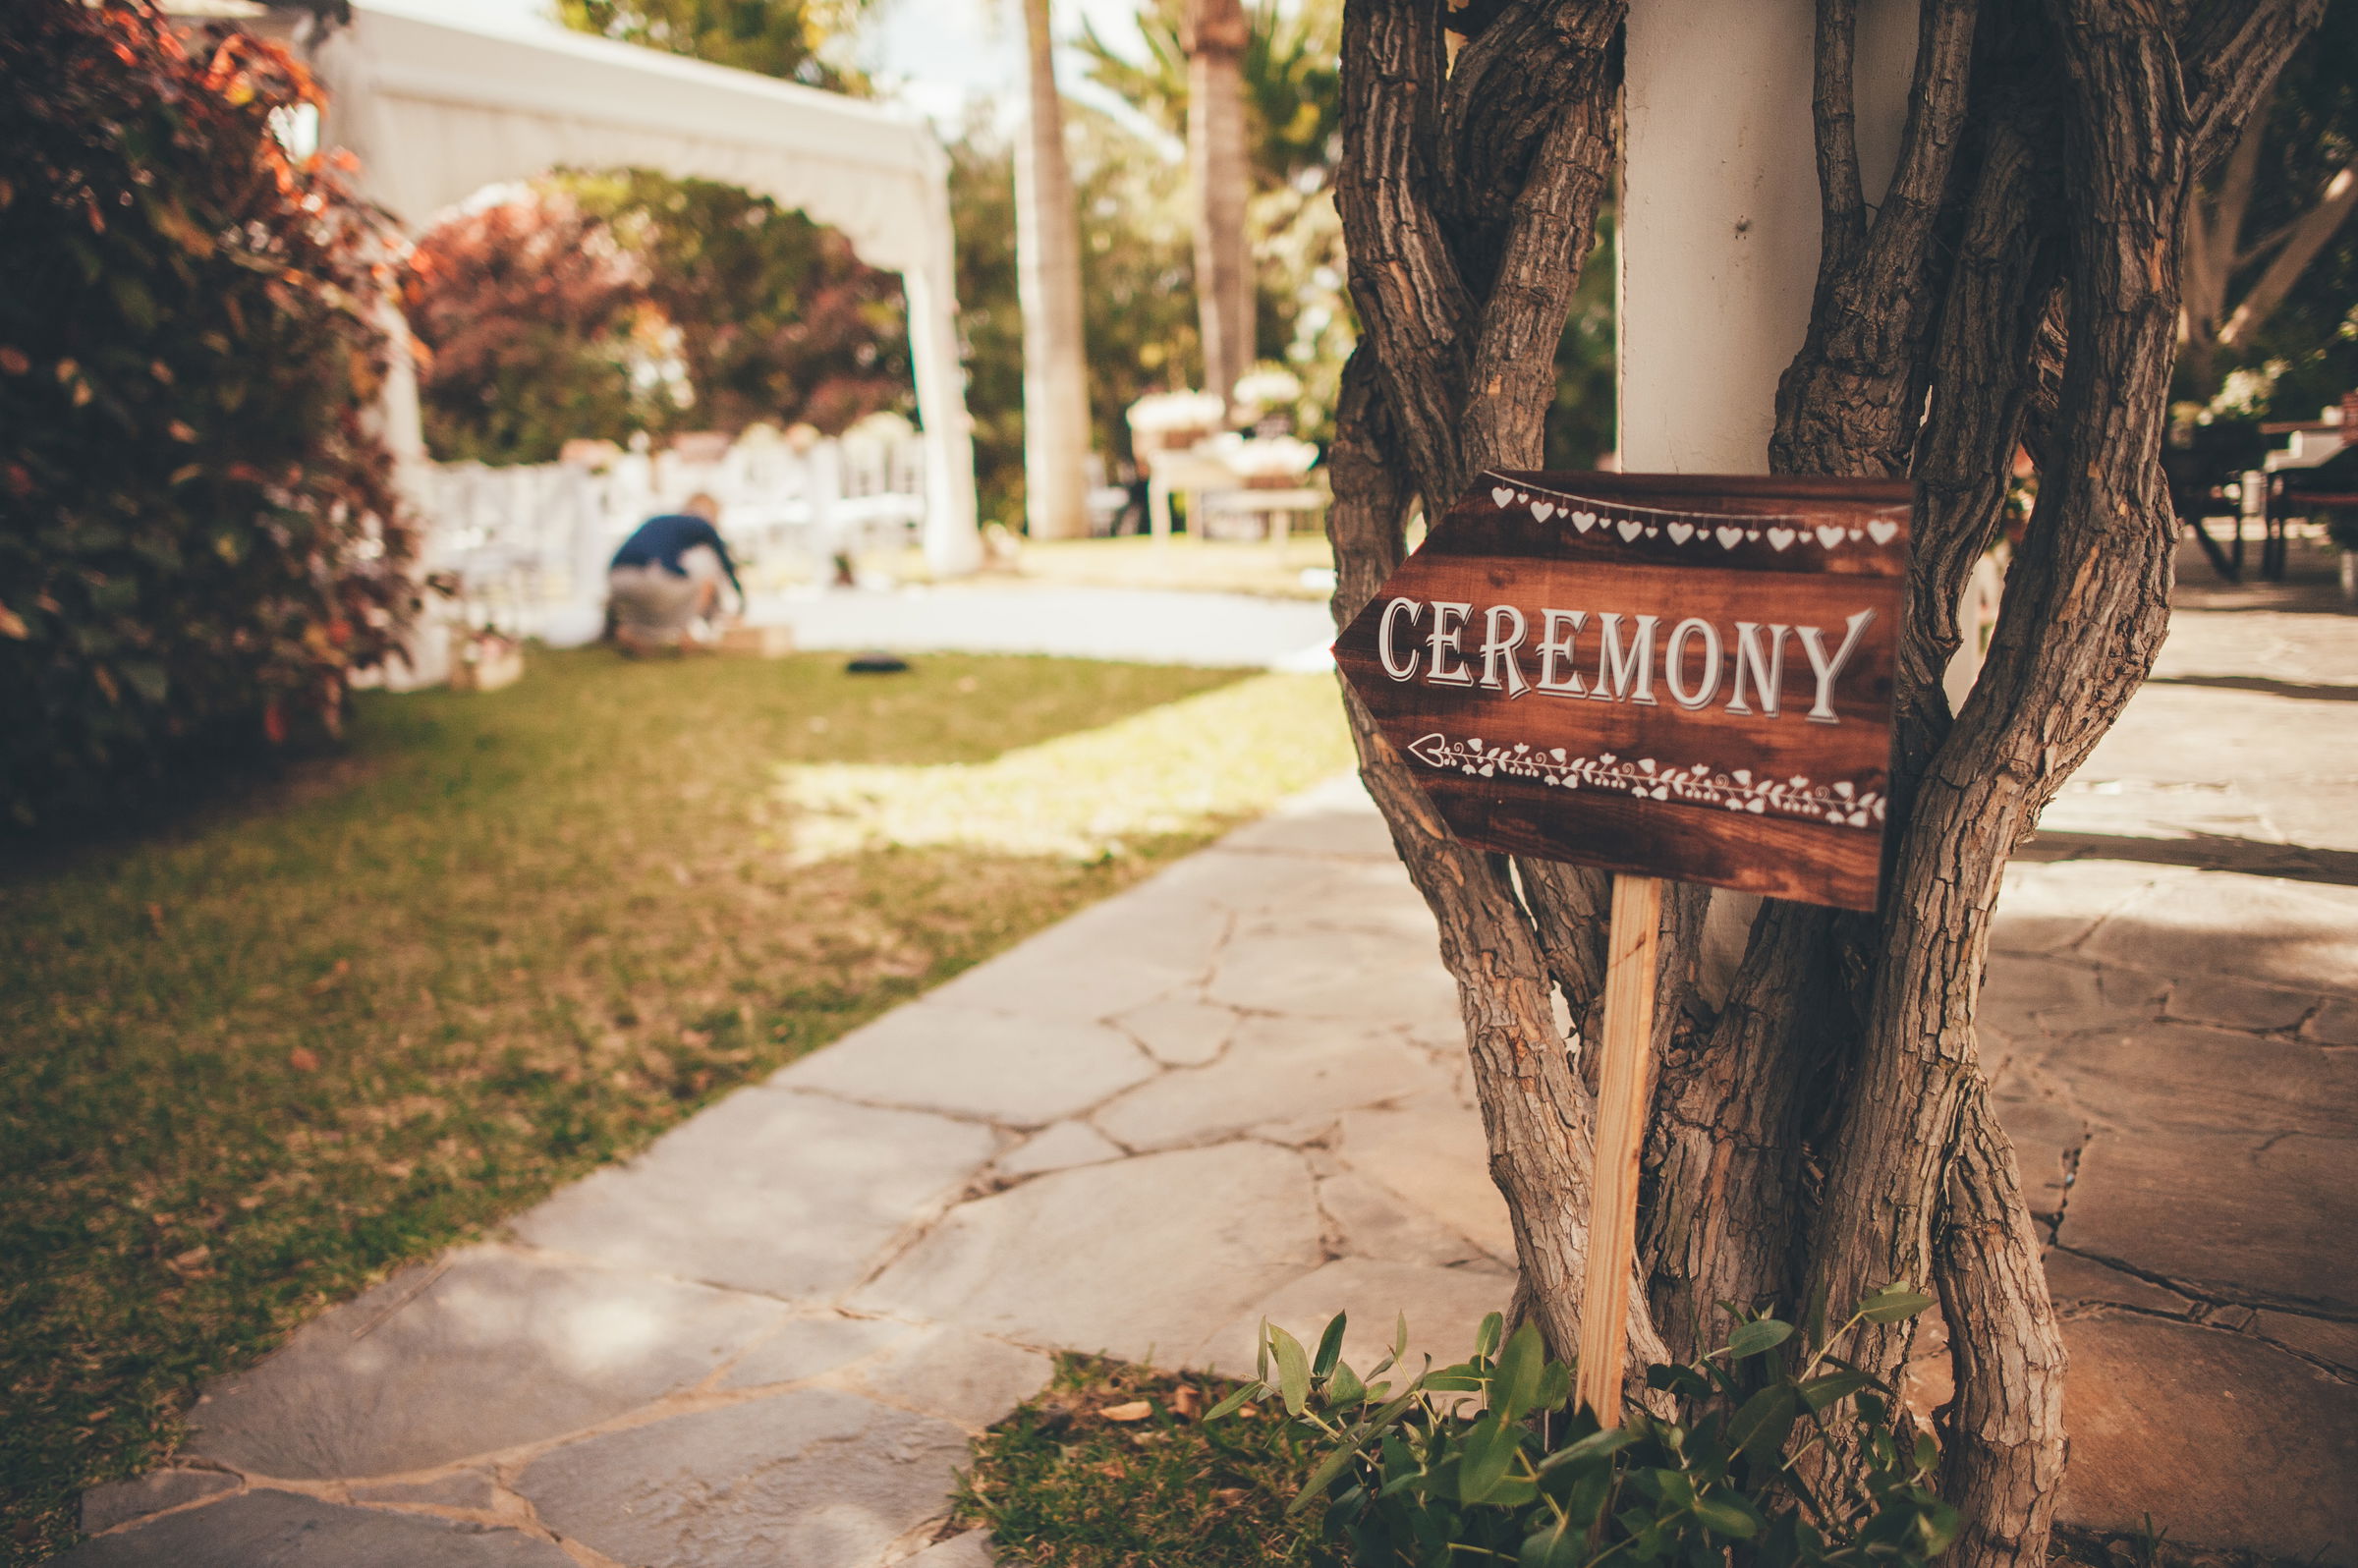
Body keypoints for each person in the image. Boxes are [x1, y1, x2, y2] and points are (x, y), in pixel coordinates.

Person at [606, 493, 744, 654]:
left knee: (652, 594)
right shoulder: (702, 525)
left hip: (616, 578)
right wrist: (741, 602)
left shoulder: (660, 520)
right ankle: (686, 634)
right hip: (652, 577)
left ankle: (632, 632)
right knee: (705, 563)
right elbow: (726, 566)